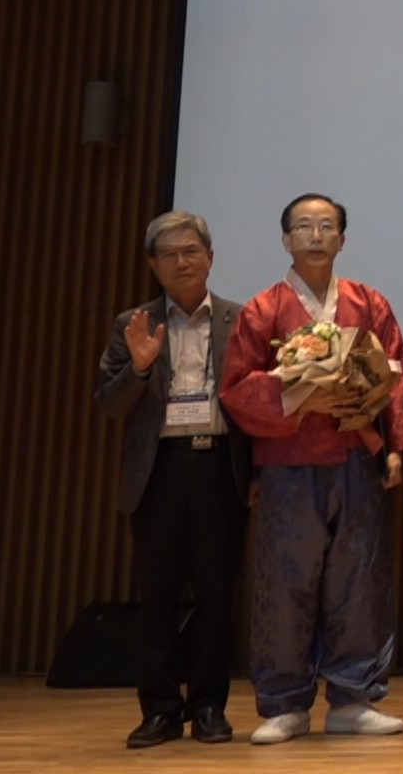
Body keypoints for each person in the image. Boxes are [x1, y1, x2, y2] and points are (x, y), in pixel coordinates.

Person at [220, 193, 403, 744]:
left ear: (342, 240)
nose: (316, 235)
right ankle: (284, 702)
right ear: (285, 239)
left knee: (359, 579)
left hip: (355, 457)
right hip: (288, 463)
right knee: (286, 582)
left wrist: (395, 447)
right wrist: (299, 394)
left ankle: (353, 697)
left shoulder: (368, 302)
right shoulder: (262, 310)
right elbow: (236, 388)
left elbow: (395, 375)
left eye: (327, 226)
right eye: (304, 226)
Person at [95, 212, 249, 748]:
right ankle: (160, 710)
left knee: (216, 595)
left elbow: (257, 403)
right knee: (158, 596)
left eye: (191, 251)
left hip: (219, 467)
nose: (182, 262)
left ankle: (208, 706)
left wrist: (257, 473)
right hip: (158, 472)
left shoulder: (239, 320)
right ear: (152, 266)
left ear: (210, 257)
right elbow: (109, 403)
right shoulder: (132, 323)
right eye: (169, 254)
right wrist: (139, 368)